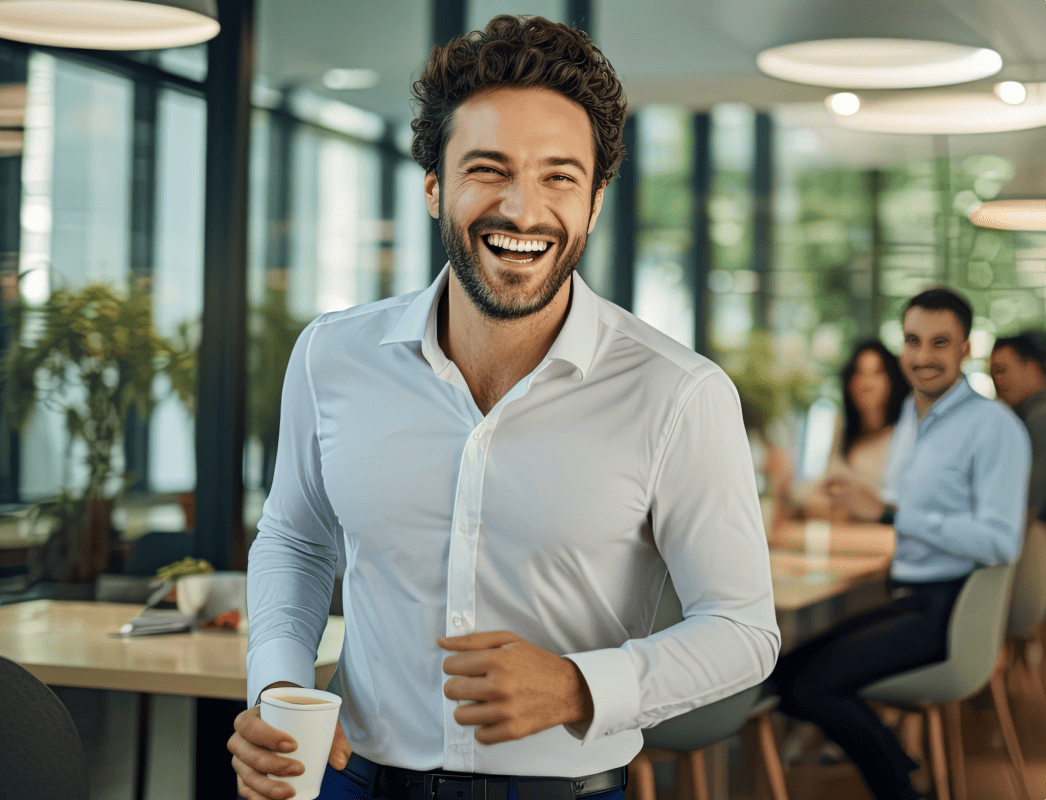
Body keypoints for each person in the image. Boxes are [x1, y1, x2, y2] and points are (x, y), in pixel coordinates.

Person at [229, 15, 780, 800]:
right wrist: (278, 685)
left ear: (594, 202)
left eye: (559, 176)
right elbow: (297, 537)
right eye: (488, 168)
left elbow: (742, 629)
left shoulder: (679, 394)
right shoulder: (331, 356)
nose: (523, 211)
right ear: (433, 187)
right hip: (352, 781)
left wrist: (580, 686)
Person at [770, 288, 1030, 800]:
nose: (923, 356)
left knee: (807, 685)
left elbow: (1001, 541)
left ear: (966, 347)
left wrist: (891, 512)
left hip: (949, 610)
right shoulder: (913, 417)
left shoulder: (993, 426)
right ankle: (902, 770)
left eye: (940, 343)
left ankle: (902, 787)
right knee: (785, 674)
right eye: (913, 341)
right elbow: (914, 505)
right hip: (907, 596)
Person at [799, 340, 911, 521]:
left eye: (877, 373)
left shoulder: (905, 436)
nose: (867, 384)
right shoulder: (842, 429)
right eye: (859, 373)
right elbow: (819, 487)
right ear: (849, 382)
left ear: (891, 381)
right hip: (840, 537)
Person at [990, 333, 1046, 530]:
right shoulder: (1044, 414)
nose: (998, 381)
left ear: (1032, 368)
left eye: (1002, 371)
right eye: (993, 374)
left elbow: (1029, 505)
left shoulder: (1044, 420)